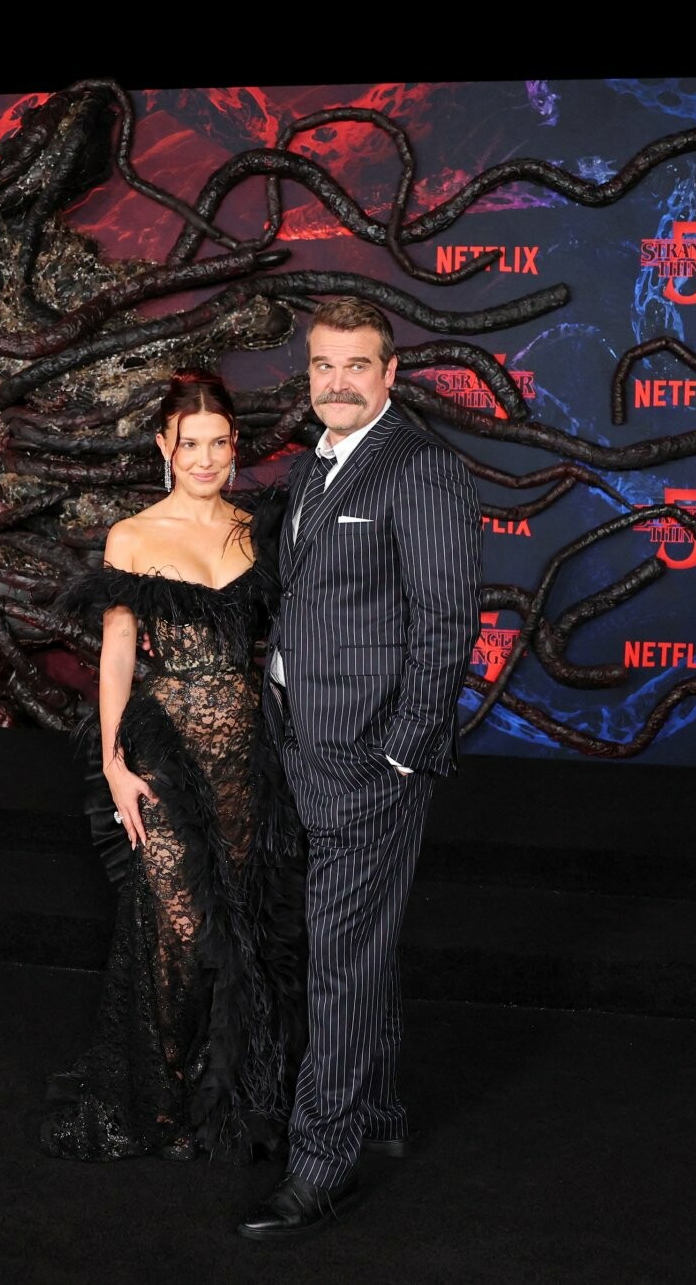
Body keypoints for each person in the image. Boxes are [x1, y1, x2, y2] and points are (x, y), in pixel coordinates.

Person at [238, 297, 483, 1240]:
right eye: (323, 366)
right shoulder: (314, 464)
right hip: (304, 744)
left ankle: (319, 1165)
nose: (337, 382)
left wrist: (402, 751)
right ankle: (375, 1112)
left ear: (390, 373)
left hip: (372, 759)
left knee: (339, 961)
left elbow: (447, 621)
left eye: (356, 365)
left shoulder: (419, 466)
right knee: (358, 945)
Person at [39, 371, 304, 1164]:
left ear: (235, 445)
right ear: (164, 445)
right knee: (179, 926)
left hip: (247, 754)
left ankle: (221, 1099)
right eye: (191, 444)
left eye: (219, 443)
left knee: (240, 921)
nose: (206, 458)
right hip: (162, 748)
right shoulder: (133, 536)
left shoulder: (258, 529)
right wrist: (113, 763)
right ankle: (157, 1093)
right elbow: (118, 655)